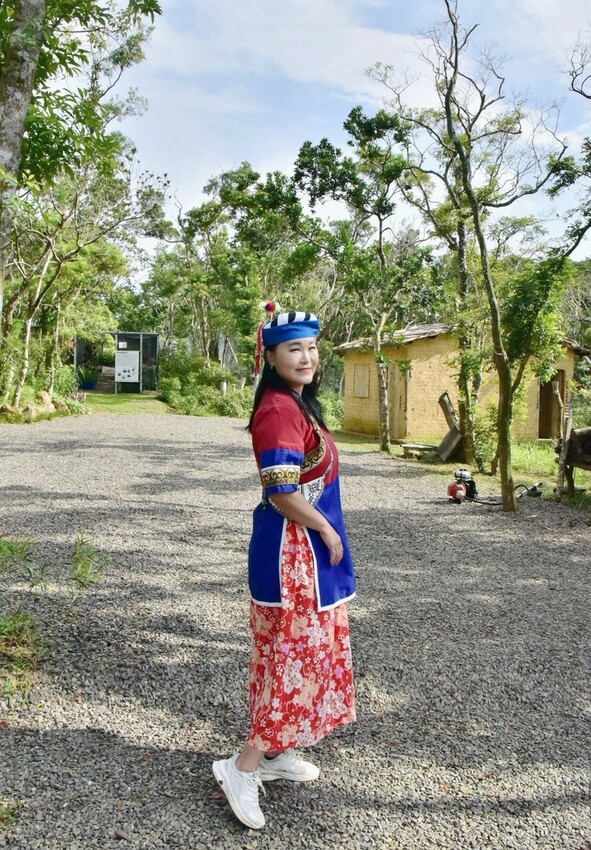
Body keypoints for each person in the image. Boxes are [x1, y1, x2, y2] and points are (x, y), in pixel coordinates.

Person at [213, 310, 356, 830]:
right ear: (271, 357)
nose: (306, 357)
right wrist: (327, 530)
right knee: (292, 661)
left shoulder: (297, 405)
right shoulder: (277, 409)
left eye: (312, 347)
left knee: (302, 656)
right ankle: (242, 768)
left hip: (305, 557)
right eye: (294, 348)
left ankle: (276, 752)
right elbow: (281, 491)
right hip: (291, 556)